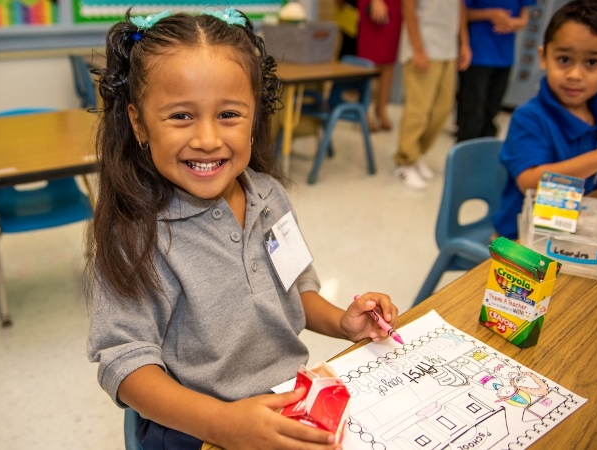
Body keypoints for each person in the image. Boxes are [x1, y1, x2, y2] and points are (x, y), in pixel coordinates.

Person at [86, 8, 400, 450]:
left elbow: (295, 290)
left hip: (285, 401)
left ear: (255, 114)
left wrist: (343, 323)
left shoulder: (269, 195)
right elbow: (125, 364)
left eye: (230, 114)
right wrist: (222, 424)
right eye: (181, 117)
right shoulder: (134, 234)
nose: (208, 139)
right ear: (139, 123)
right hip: (194, 428)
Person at [492, 0, 597, 239]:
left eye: (592, 62)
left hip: (574, 230)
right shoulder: (530, 117)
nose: (575, 75)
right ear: (544, 57)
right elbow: (529, 181)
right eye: (564, 59)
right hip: (520, 237)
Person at [393, 0, 472, 190]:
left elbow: (460, 7)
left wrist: (464, 43)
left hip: (448, 50)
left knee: (442, 109)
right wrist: (418, 49)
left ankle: (417, 153)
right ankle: (405, 162)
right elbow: (408, 8)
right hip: (424, 47)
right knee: (418, 111)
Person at [456, 0, 536, 142]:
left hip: (504, 56)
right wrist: (490, 14)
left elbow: (524, 19)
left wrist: (513, 24)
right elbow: (462, 13)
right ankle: (464, 154)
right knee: (472, 113)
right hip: (477, 54)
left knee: (492, 110)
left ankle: (485, 153)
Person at [356, 0, 402, 131]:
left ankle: (381, 108)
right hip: (372, 4)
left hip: (395, 4)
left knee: (389, 56)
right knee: (368, 57)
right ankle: (364, 109)